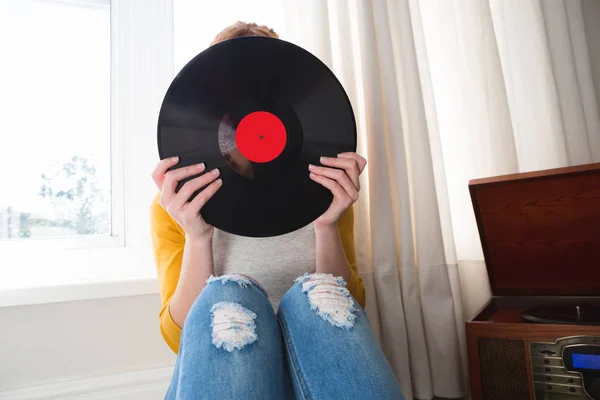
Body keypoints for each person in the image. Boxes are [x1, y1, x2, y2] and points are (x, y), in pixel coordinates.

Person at [151, 21, 404, 400]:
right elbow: (180, 336)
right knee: (229, 296)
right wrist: (197, 236)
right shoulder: (177, 204)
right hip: (224, 375)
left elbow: (348, 310)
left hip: (314, 373)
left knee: (314, 294)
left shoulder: (326, 190)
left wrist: (326, 226)